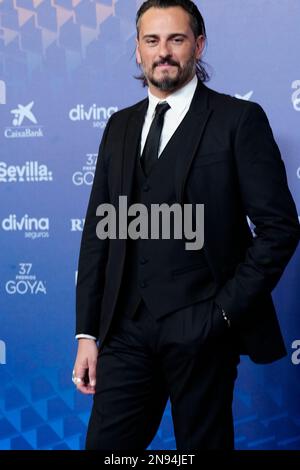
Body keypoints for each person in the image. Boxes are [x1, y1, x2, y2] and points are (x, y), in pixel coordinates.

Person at [72, 0, 300, 450]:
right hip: (126, 331)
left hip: (203, 331)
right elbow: (101, 232)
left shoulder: (238, 121)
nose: (164, 52)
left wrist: (222, 313)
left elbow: (279, 228)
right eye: (152, 40)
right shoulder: (118, 127)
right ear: (138, 50)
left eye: (176, 39)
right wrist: (87, 334)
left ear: (198, 45)